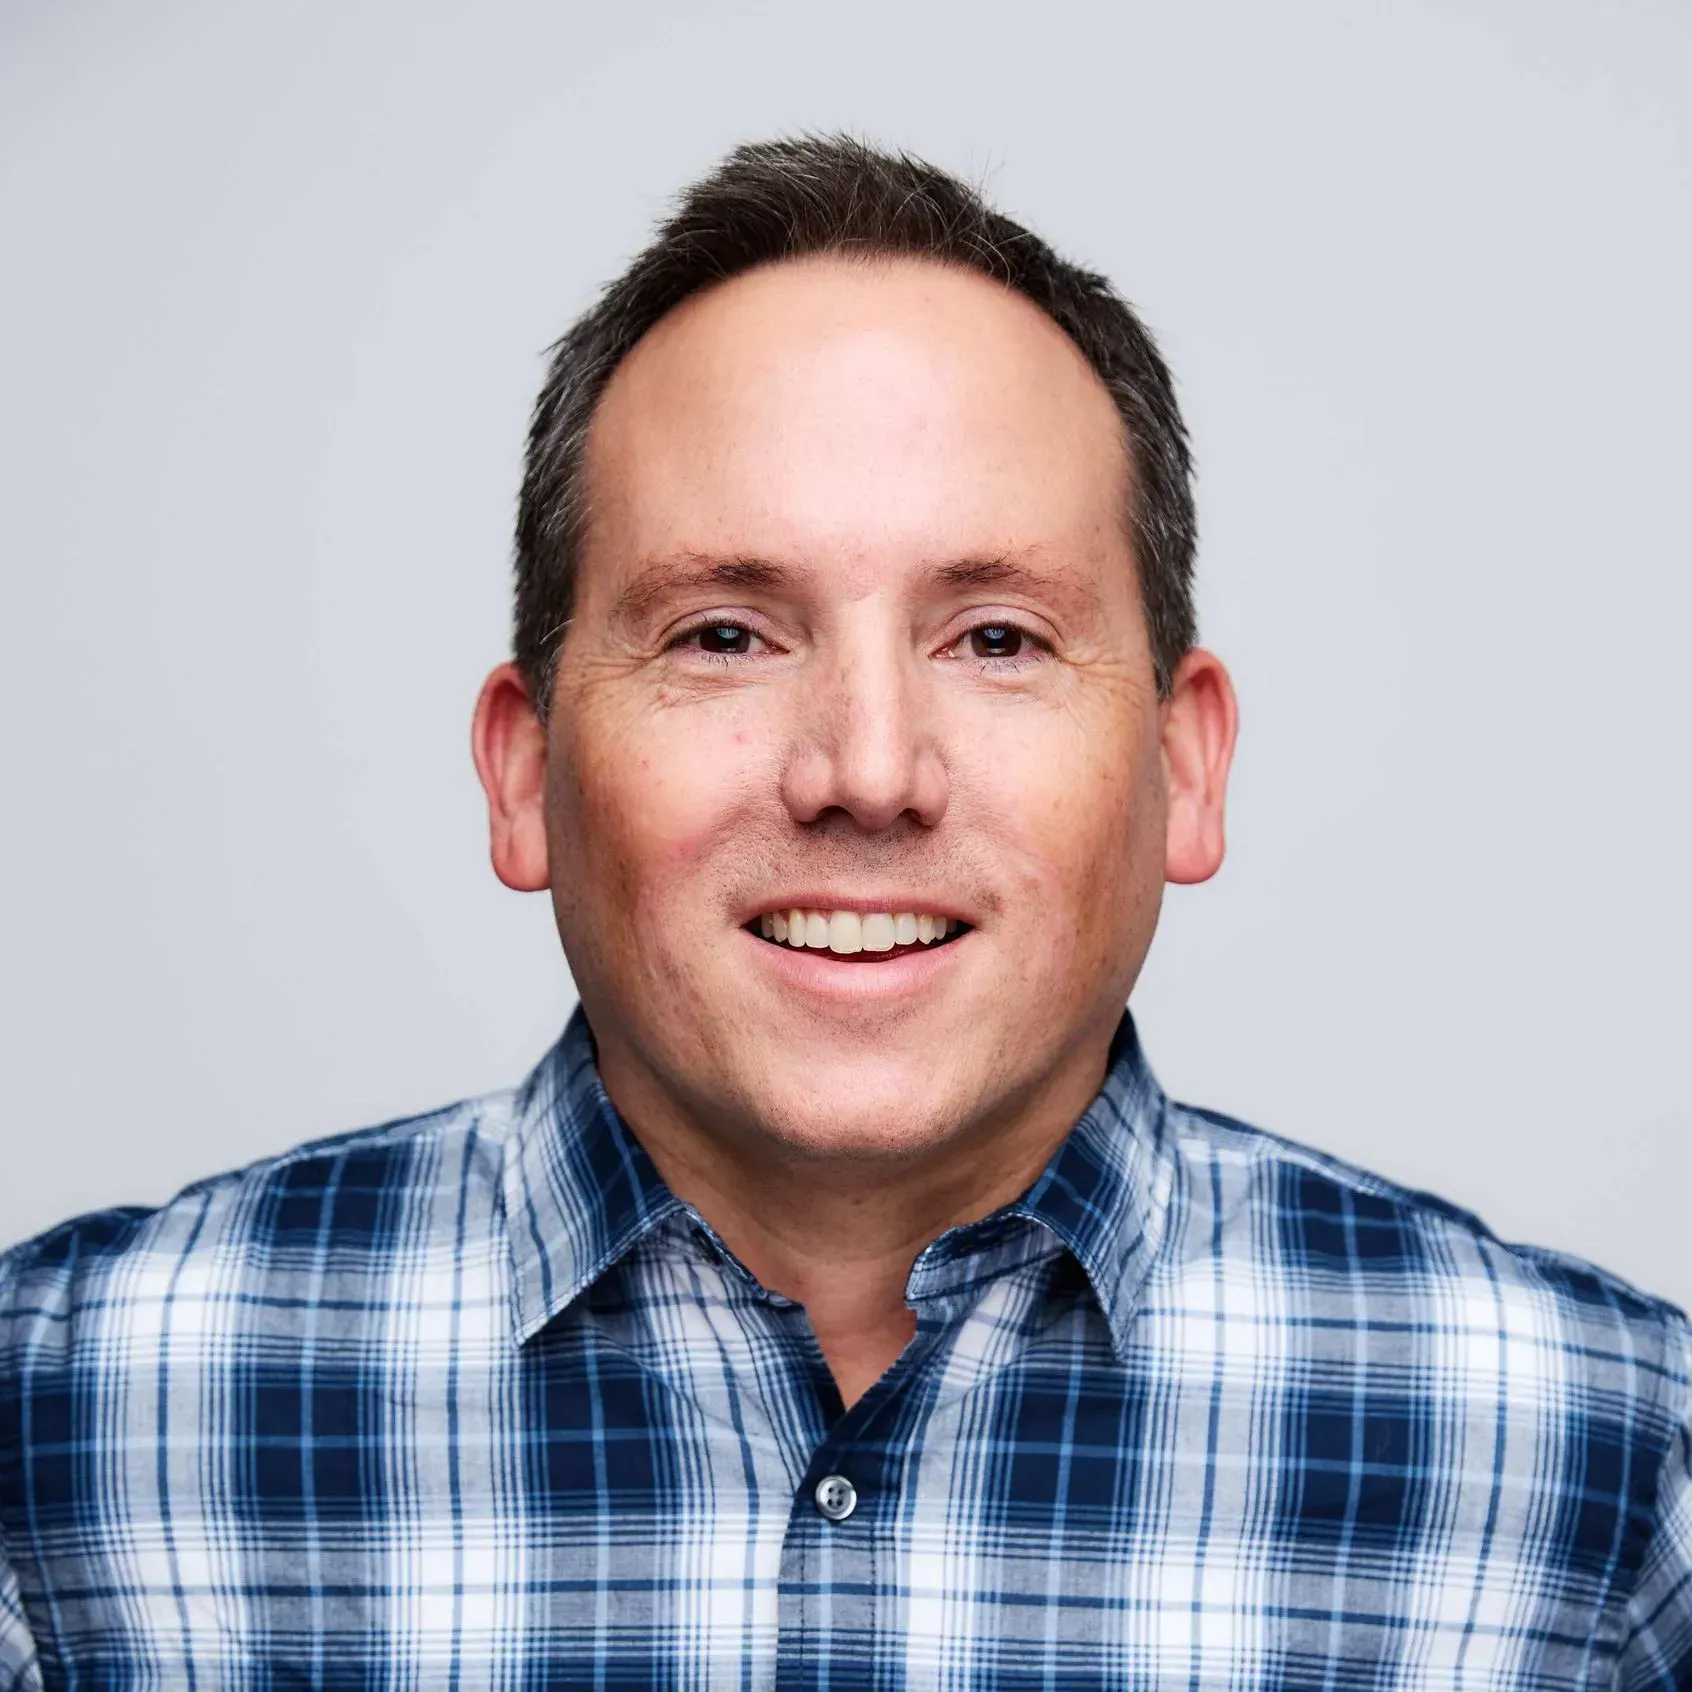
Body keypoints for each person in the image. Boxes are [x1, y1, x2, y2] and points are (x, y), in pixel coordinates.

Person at [1, 135, 1686, 1690]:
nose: (868, 771)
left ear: (1186, 764)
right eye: (725, 634)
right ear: (525, 775)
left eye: (998, 638)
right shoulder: (64, 1438)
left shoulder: (1598, 1480)